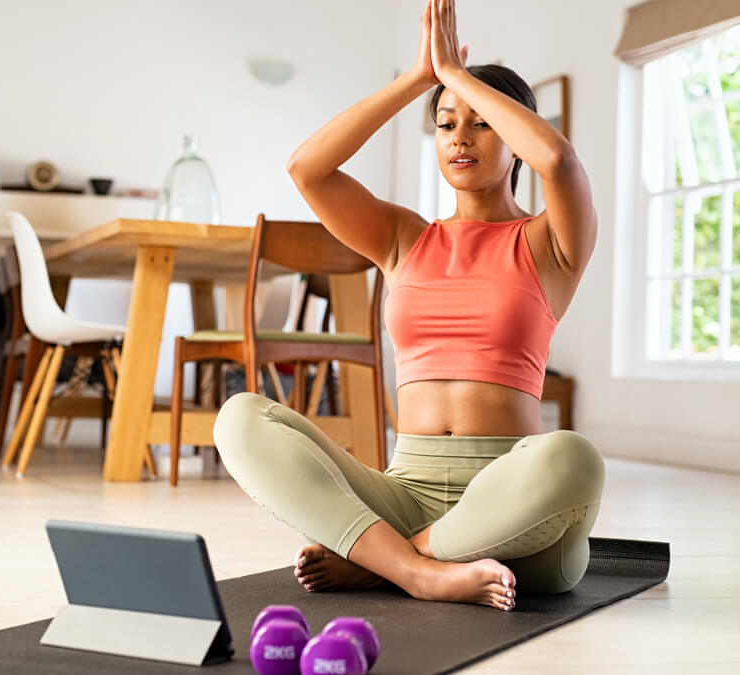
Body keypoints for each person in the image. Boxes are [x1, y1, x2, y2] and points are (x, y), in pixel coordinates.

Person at [212, 0, 603, 611]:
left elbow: (558, 160)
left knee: (572, 456)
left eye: (480, 123)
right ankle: (419, 570)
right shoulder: (404, 238)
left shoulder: (550, 242)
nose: (461, 139)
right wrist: (420, 79)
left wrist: (459, 74)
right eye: (446, 124)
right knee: (239, 416)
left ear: (516, 135)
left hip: (516, 509)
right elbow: (307, 168)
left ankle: (382, 562)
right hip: (405, 489)